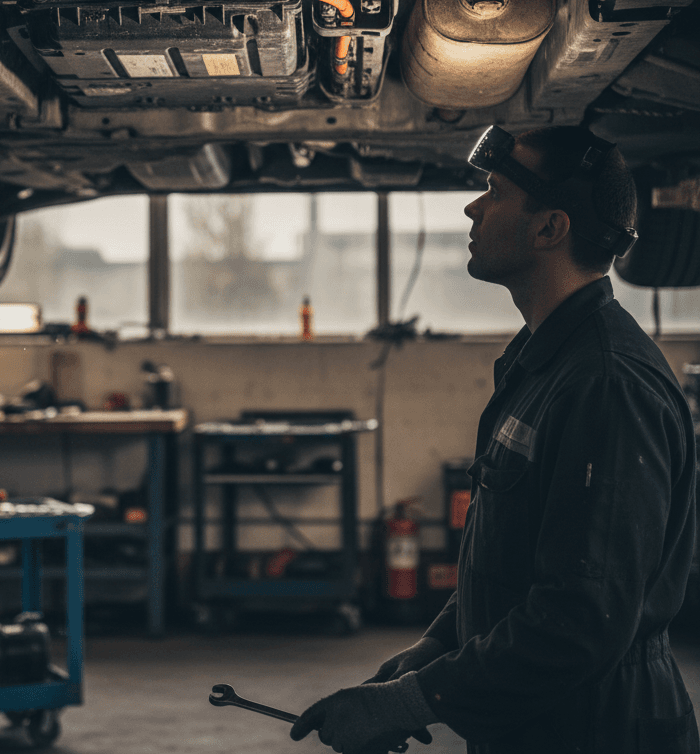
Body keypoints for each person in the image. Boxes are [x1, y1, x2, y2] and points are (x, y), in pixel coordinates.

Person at [290, 125, 699, 754]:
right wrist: (439, 645)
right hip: (539, 721)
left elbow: (579, 621)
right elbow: (517, 557)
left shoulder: (606, 387)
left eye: (494, 191)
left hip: (598, 729)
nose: (473, 206)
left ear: (549, 229)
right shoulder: (545, 360)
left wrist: (408, 703)